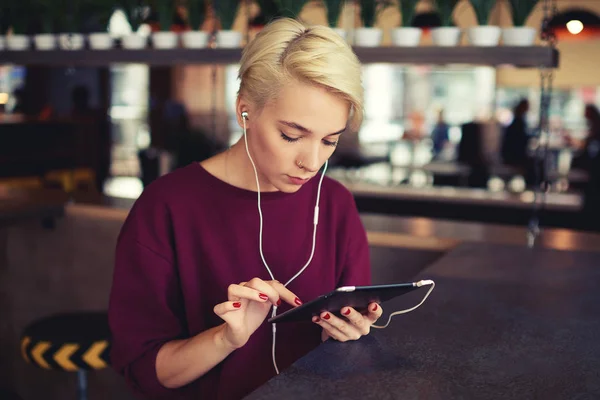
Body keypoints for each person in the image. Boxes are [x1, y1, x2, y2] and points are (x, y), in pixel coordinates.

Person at [108, 18, 383, 400]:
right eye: (291, 135)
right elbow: (146, 371)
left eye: (329, 141)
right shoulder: (166, 207)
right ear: (244, 112)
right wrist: (224, 338)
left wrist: (345, 333)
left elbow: (350, 350)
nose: (312, 161)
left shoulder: (335, 204)